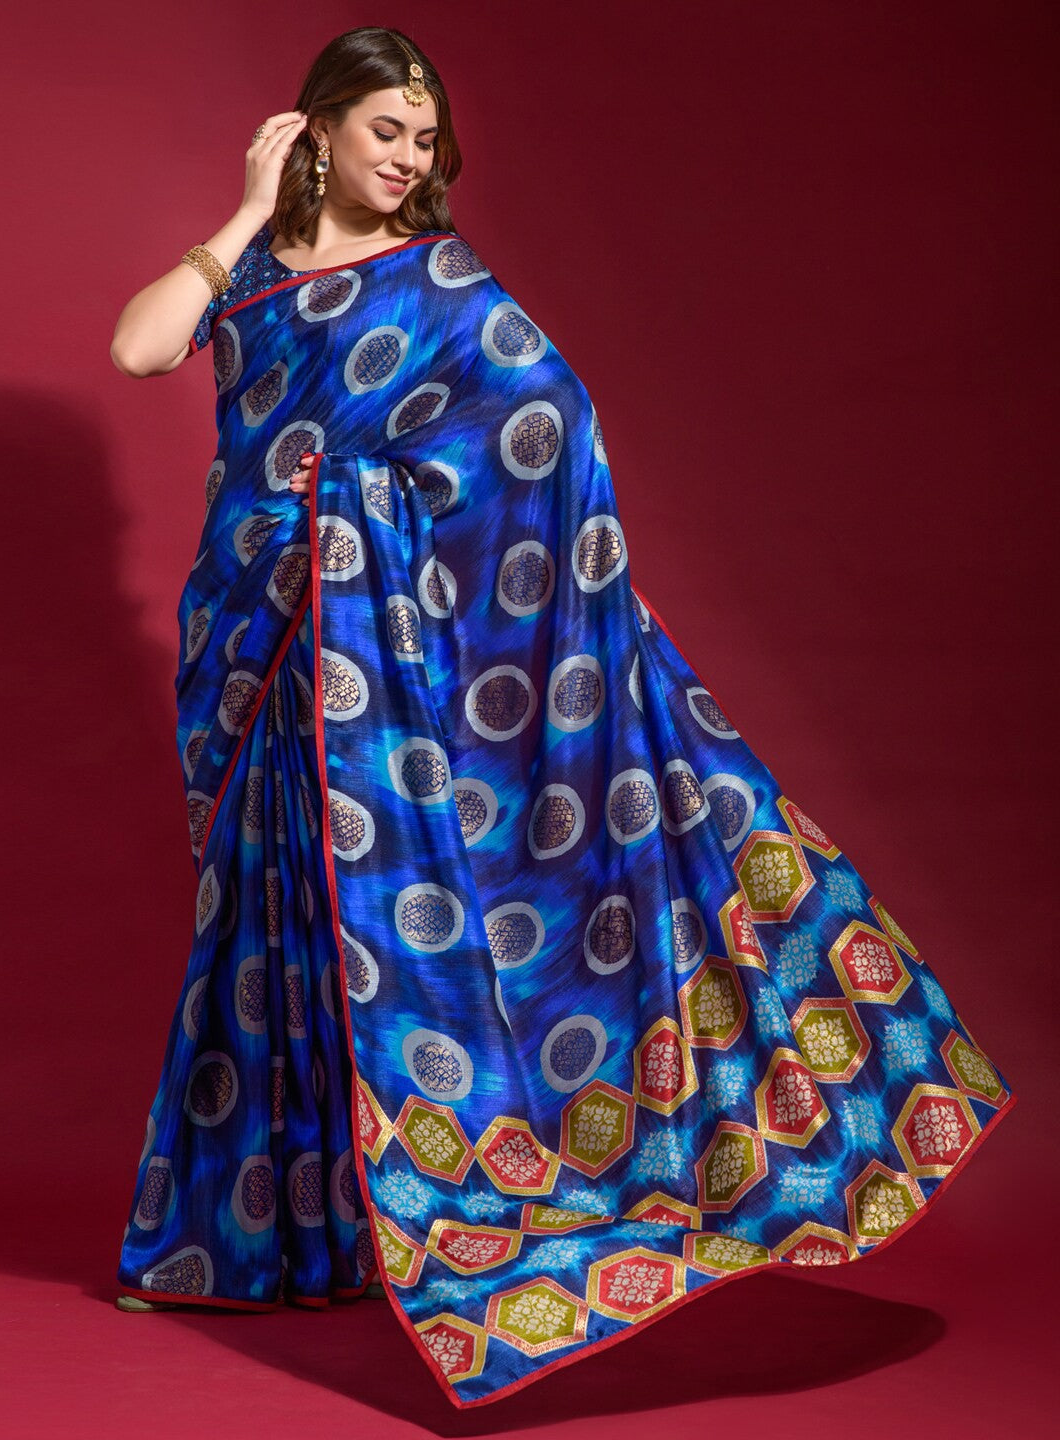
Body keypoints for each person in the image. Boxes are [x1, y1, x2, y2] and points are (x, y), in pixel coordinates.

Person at [109, 25, 1018, 1411]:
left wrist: (386, 533)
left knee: (377, 921)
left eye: (426, 139)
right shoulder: (255, 270)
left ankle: (484, 1198)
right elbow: (138, 348)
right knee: (263, 917)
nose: (409, 158)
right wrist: (245, 210)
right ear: (318, 128)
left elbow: (548, 425)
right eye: (385, 130)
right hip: (254, 634)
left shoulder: (443, 286)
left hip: (367, 644)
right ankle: (255, 1240)